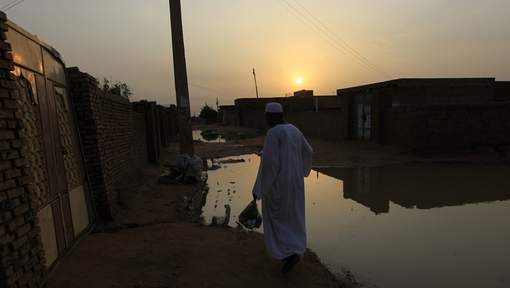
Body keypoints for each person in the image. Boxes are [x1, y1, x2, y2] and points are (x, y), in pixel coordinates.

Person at [252, 102, 313, 274]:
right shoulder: (294, 129)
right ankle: (295, 249)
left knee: (276, 217)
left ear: (272, 116)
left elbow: (271, 164)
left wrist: (259, 189)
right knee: (293, 216)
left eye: (266, 116)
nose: (265, 120)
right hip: (295, 183)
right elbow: (308, 151)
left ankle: (285, 253)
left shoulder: (273, 133)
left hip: (278, 184)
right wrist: (300, 170)